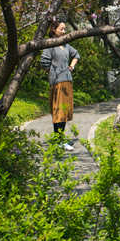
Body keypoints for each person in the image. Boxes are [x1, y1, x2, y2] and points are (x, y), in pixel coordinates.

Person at [40, 20, 80, 150]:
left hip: (67, 81)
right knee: (58, 112)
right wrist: (53, 72)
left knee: (64, 113)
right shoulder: (50, 44)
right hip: (57, 83)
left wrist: (71, 67)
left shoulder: (66, 45)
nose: (63, 32)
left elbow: (76, 55)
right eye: (61, 29)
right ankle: (59, 140)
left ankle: (60, 140)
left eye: (64, 29)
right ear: (53, 29)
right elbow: (44, 63)